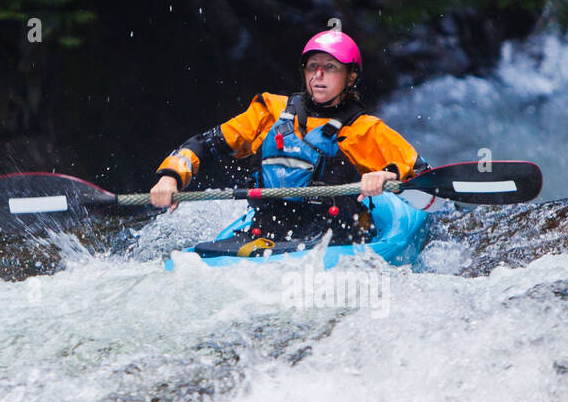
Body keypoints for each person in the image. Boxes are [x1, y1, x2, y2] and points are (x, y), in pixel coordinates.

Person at [149, 30, 425, 252]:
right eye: (312, 67)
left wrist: (385, 175)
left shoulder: (364, 129)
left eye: (330, 68)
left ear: (350, 76)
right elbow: (207, 144)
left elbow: (417, 169)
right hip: (265, 230)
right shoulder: (270, 111)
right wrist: (171, 177)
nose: (318, 75)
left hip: (333, 237)